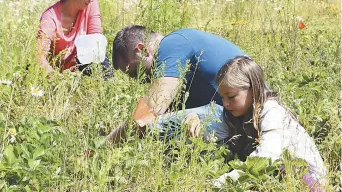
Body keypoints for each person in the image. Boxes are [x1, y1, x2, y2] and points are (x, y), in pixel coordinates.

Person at [205, 56, 327, 191]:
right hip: (276, 175)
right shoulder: (236, 113)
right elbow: (212, 134)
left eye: (232, 96)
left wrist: (224, 182)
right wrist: (195, 120)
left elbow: (267, 156)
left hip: (308, 179)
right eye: (222, 97)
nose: (226, 103)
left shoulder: (271, 111)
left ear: (253, 89)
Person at [107, 25, 244, 143]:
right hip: (237, 118)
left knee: (151, 126)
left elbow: (150, 111)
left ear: (143, 50)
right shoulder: (178, 52)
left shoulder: (172, 45)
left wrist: (107, 144)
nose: (139, 79)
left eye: (134, 72)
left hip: (239, 115)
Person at [36, 0, 113, 78]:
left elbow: (95, 41)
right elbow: (39, 56)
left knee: (103, 64)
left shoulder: (90, 4)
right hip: (58, 75)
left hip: (82, 68)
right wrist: (56, 78)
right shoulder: (50, 17)